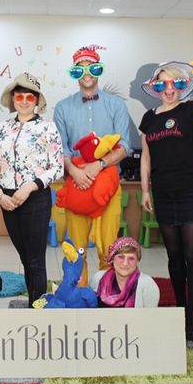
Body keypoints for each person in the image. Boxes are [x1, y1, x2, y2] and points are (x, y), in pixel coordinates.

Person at [138, 61, 193, 348]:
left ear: (184, 86)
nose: (169, 90)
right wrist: (145, 190)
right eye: (162, 85)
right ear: (155, 88)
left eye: (176, 84)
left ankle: (189, 321)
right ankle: (180, 308)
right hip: (164, 193)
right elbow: (146, 157)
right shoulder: (149, 118)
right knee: (174, 255)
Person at [53, 45, 132, 285]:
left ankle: (108, 294)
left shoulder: (116, 105)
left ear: (99, 70)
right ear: (74, 73)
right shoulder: (62, 108)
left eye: (93, 68)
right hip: (76, 185)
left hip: (109, 185)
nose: (87, 74)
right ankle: (79, 295)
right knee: (76, 250)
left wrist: (99, 164)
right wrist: (74, 171)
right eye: (80, 69)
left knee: (109, 248)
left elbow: (125, 145)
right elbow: (61, 148)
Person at [0, 72, 64, 306]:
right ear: (12, 99)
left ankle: (37, 309)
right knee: (24, 256)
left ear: (37, 101)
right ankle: (34, 300)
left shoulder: (47, 127)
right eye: (19, 96)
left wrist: (29, 188)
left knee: (35, 260)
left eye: (29, 97)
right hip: (7, 200)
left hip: (35, 198)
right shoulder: (2, 128)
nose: (23, 101)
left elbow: (57, 168)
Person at [90, 236, 159, 308]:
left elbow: (150, 314)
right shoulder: (98, 278)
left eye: (131, 258)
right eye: (121, 257)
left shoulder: (148, 285)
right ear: (112, 258)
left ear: (137, 261)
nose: (125, 263)